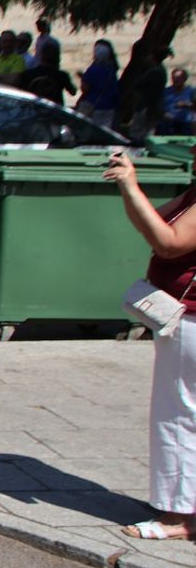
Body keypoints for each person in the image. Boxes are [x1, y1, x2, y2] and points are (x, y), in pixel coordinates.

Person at [105, 149, 196, 542]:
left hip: (190, 321)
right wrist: (131, 188)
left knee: (178, 415)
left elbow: (169, 242)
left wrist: (129, 184)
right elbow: (155, 222)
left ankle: (178, 517)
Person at [19, 39, 78, 105]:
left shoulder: (28, 74)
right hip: (54, 110)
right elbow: (73, 92)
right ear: (57, 57)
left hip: (33, 108)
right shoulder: (61, 75)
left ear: (41, 56)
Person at [78, 39, 121, 126]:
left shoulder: (93, 69)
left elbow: (85, 89)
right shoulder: (112, 70)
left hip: (94, 105)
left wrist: (83, 78)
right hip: (109, 106)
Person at [164, 69, 196, 135]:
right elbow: (159, 106)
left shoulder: (191, 91)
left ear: (184, 79)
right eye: (173, 78)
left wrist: (187, 104)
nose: (175, 80)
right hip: (169, 123)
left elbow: (194, 106)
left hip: (185, 124)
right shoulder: (166, 91)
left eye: (178, 78)